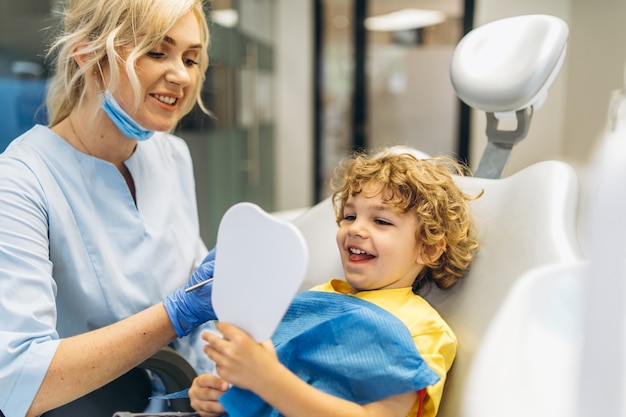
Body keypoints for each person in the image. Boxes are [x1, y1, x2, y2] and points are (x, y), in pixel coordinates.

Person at [0, 1, 220, 416]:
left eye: (191, 59)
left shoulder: (172, 156)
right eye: (157, 51)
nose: (181, 75)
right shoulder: (19, 182)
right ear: (89, 57)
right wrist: (175, 315)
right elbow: (17, 382)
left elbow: (199, 314)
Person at [188, 147, 480, 417]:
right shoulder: (317, 298)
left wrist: (267, 379)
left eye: (381, 221)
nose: (355, 229)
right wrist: (221, 395)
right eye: (350, 216)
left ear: (429, 248)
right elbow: (265, 380)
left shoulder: (423, 327)